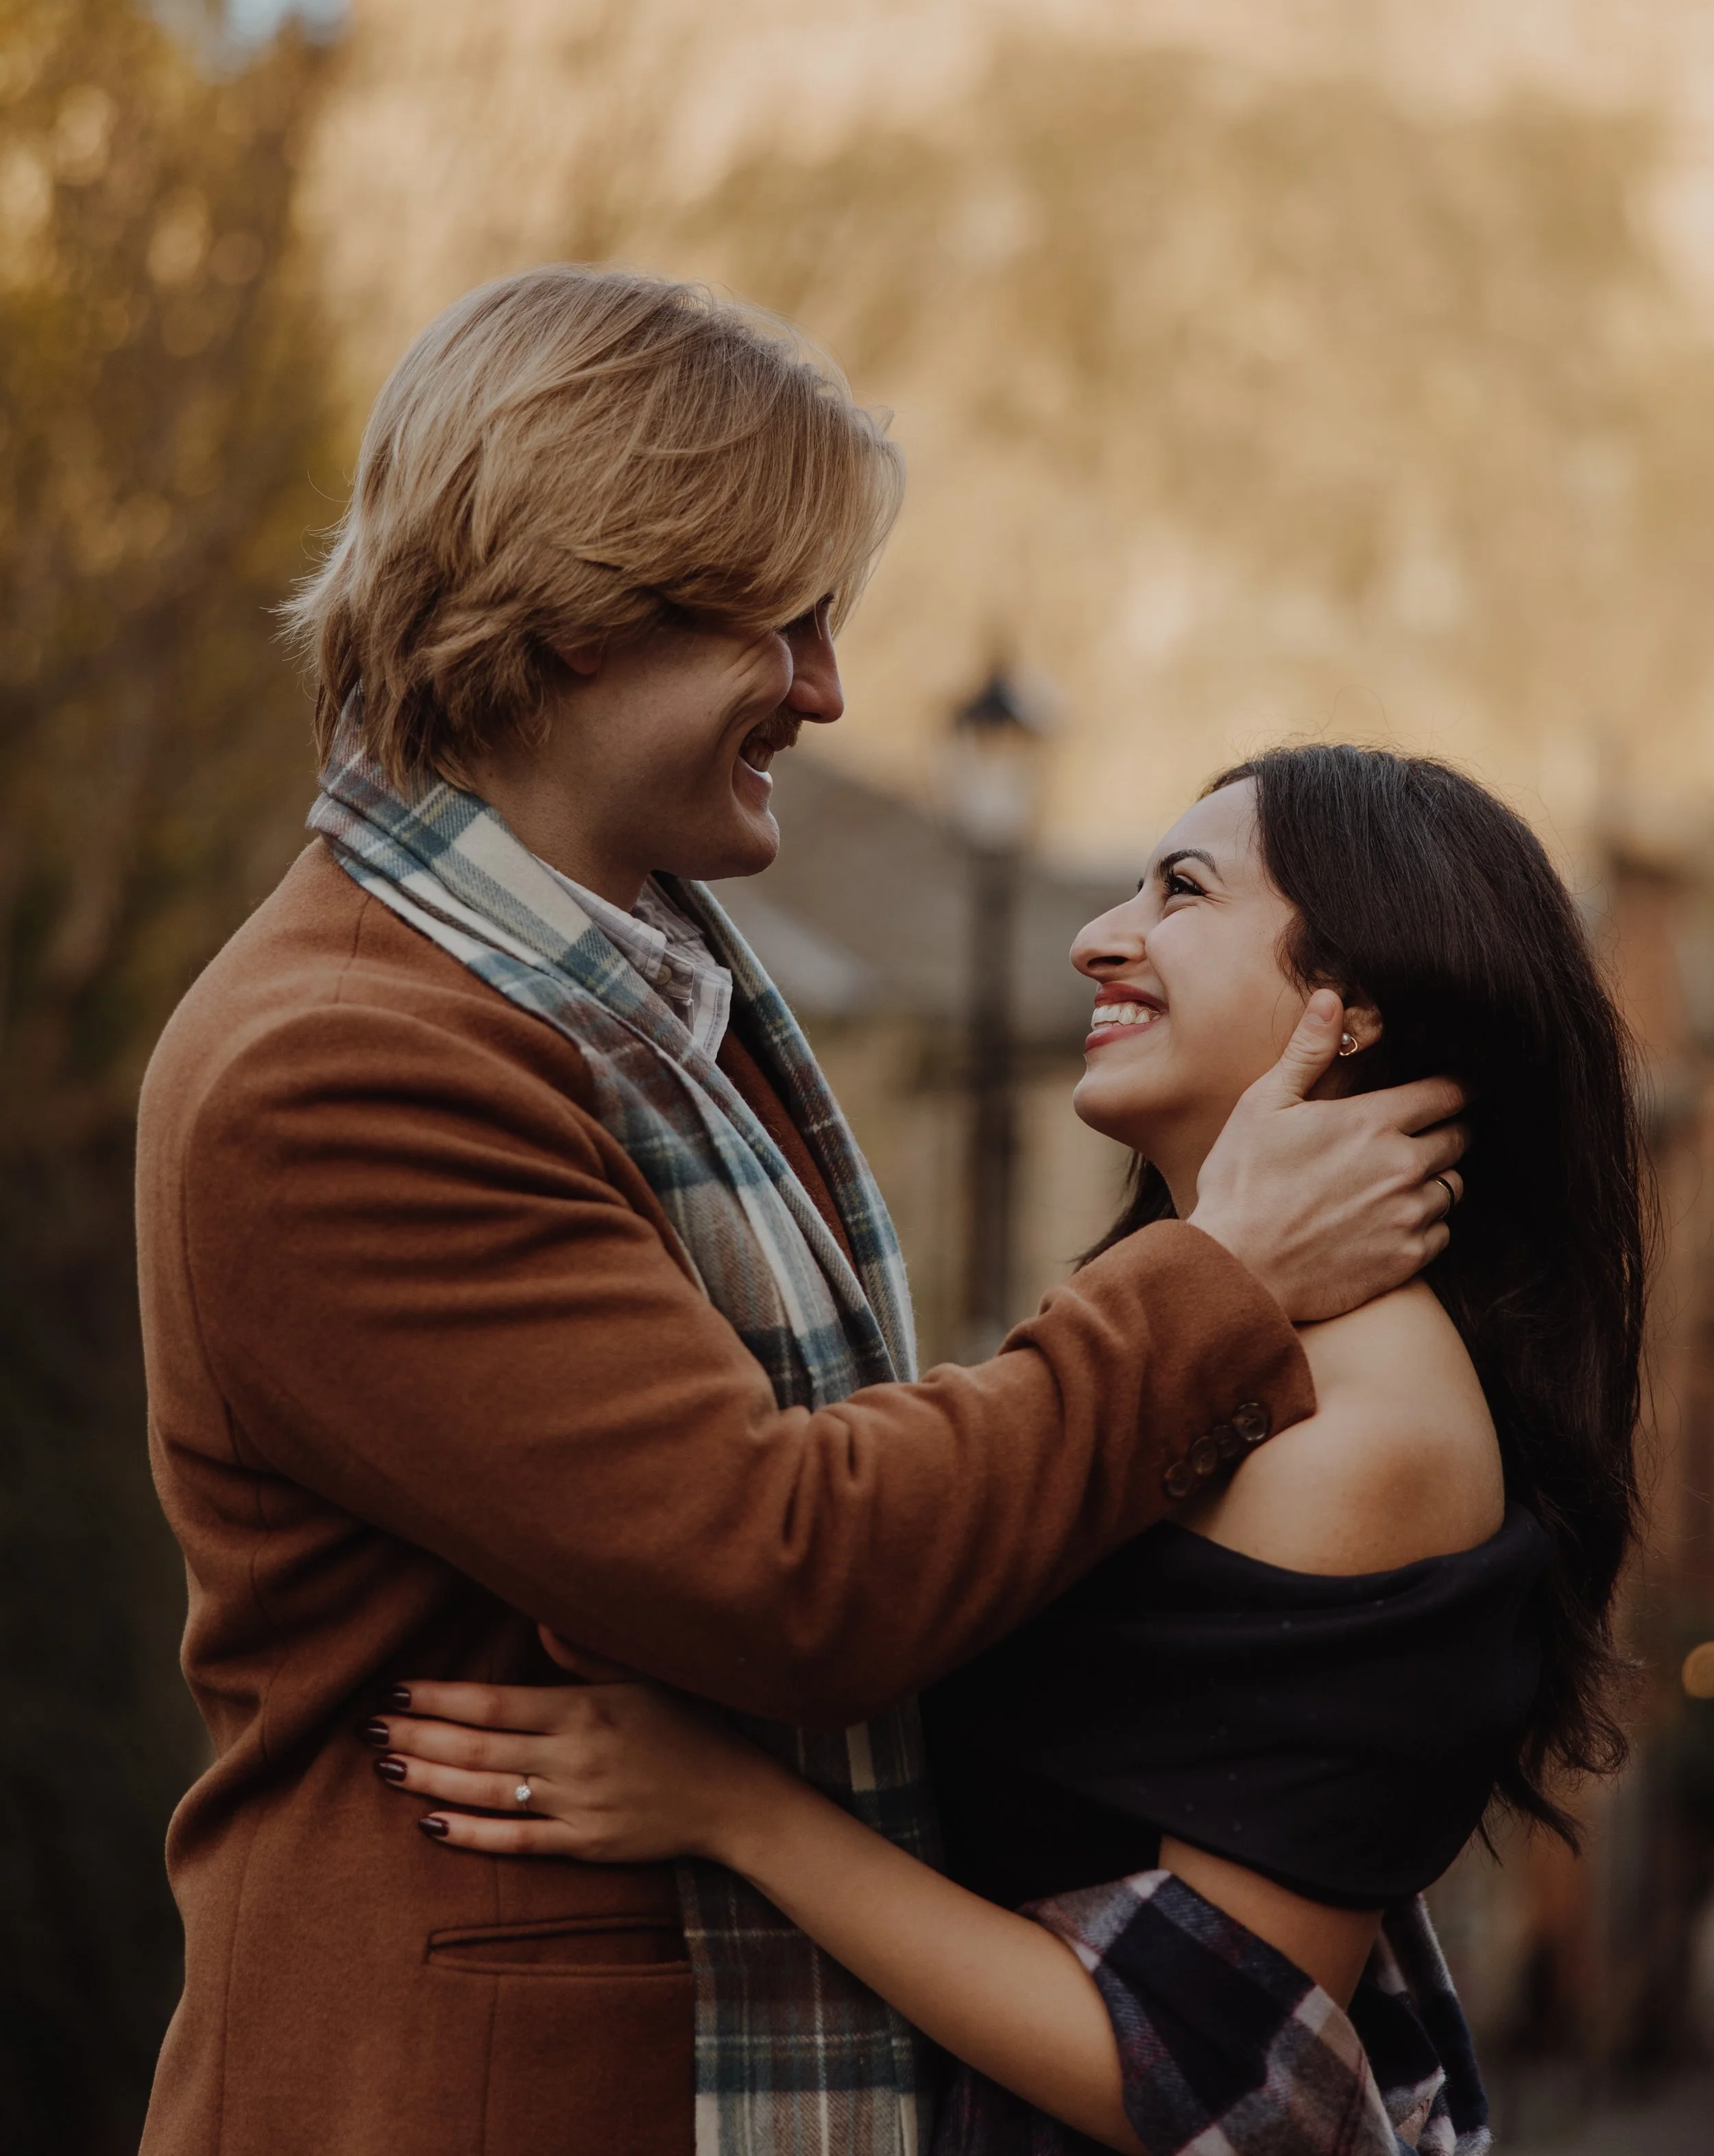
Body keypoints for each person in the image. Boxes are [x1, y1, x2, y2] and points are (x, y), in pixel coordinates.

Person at [134, 269, 1466, 2156]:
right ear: (583, 606)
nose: (830, 691)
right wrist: (1217, 1279)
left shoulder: (635, 977)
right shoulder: (335, 1065)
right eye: (784, 622)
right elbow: (787, 1562)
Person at [369, 744, 1647, 2156]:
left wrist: (725, 1806)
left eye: (1179, 891)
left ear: (1350, 1006)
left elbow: (1203, 2073)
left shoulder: (1363, 1440)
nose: (1097, 936)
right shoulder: (1224, 1356)